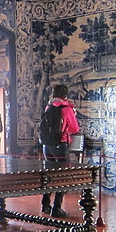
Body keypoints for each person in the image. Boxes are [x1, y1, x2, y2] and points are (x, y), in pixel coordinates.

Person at [40, 84, 80, 218]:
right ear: (65, 95)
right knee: (62, 176)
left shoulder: (49, 106)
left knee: (49, 175)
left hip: (47, 145)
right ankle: (57, 207)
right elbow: (75, 129)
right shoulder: (67, 108)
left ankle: (45, 205)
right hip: (61, 144)